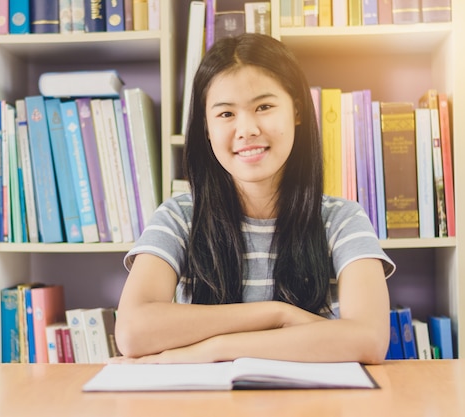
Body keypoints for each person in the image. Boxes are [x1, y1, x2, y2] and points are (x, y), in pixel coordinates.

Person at [114, 33, 395, 365]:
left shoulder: (342, 219)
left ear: (297, 111)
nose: (246, 129)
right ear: (206, 128)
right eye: (226, 114)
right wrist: (278, 315)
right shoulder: (179, 217)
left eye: (264, 107)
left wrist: (215, 349)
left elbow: (369, 341)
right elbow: (133, 331)